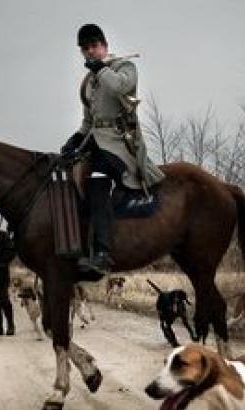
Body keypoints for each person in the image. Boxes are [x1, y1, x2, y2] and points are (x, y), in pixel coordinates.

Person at [60, 23, 166, 277]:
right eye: (85, 49)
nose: (90, 52)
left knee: (98, 179)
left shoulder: (124, 67)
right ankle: (75, 245)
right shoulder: (89, 82)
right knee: (68, 176)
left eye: (94, 46)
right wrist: (74, 140)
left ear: (105, 46)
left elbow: (119, 87)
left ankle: (103, 253)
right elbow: (89, 122)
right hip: (95, 142)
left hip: (120, 144)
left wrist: (101, 68)